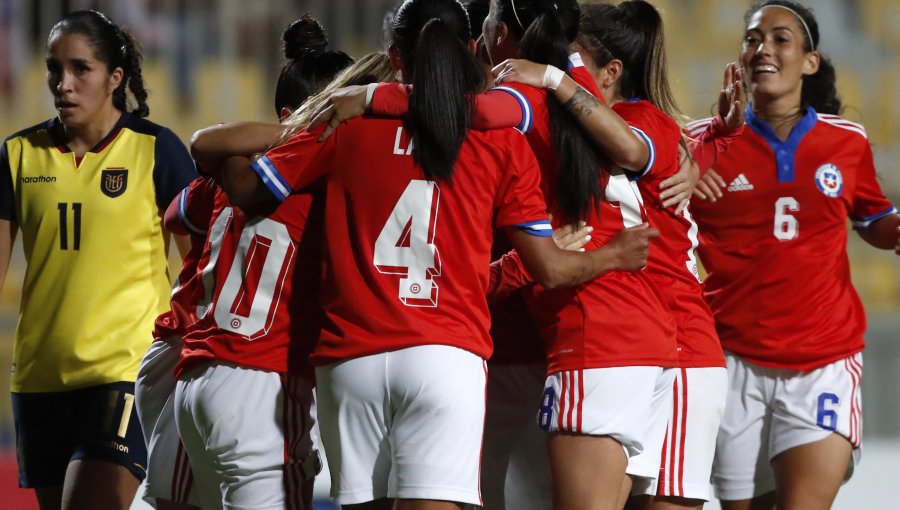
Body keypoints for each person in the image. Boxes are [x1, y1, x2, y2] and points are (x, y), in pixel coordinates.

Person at [191, 2, 660, 509]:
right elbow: (551, 267)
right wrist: (611, 256)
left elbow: (238, 183)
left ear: (396, 57)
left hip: (349, 359)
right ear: (474, 50)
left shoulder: (347, 122)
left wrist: (326, 114)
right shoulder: (496, 137)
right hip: (445, 356)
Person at [133, 15, 353, 510]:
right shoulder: (328, 186)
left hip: (190, 368)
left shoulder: (230, 171)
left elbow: (175, 214)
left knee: (165, 500)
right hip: (261, 377)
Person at [687, 2, 900, 509]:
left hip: (822, 360)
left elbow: (871, 219)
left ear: (810, 61)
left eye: (780, 39)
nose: (763, 49)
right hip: (731, 358)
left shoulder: (846, 141)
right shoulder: (701, 143)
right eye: (753, 39)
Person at [0, 10, 197, 510]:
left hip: (126, 374)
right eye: (53, 68)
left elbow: (202, 270)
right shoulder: (19, 154)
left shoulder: (158, 152)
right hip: (40, 379)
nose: (62, 84)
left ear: (115, 78)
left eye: (79, 69)